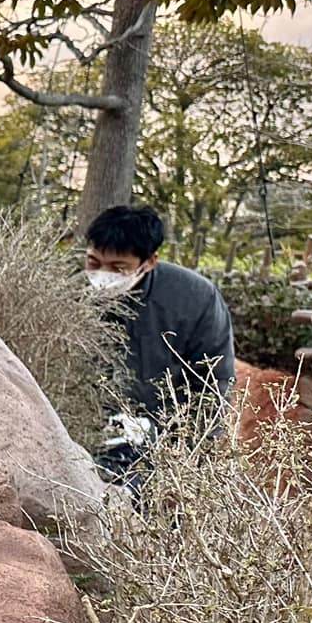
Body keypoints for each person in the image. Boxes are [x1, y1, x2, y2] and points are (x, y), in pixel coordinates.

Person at [82, 204, 236, 482]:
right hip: (81, 433)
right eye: (94, 263)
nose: (102, 277)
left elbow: (213, 385)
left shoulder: (195, 299)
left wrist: (181, 451)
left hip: (160, 441)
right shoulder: (68, 296)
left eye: (118, 268)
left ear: (149, 261)